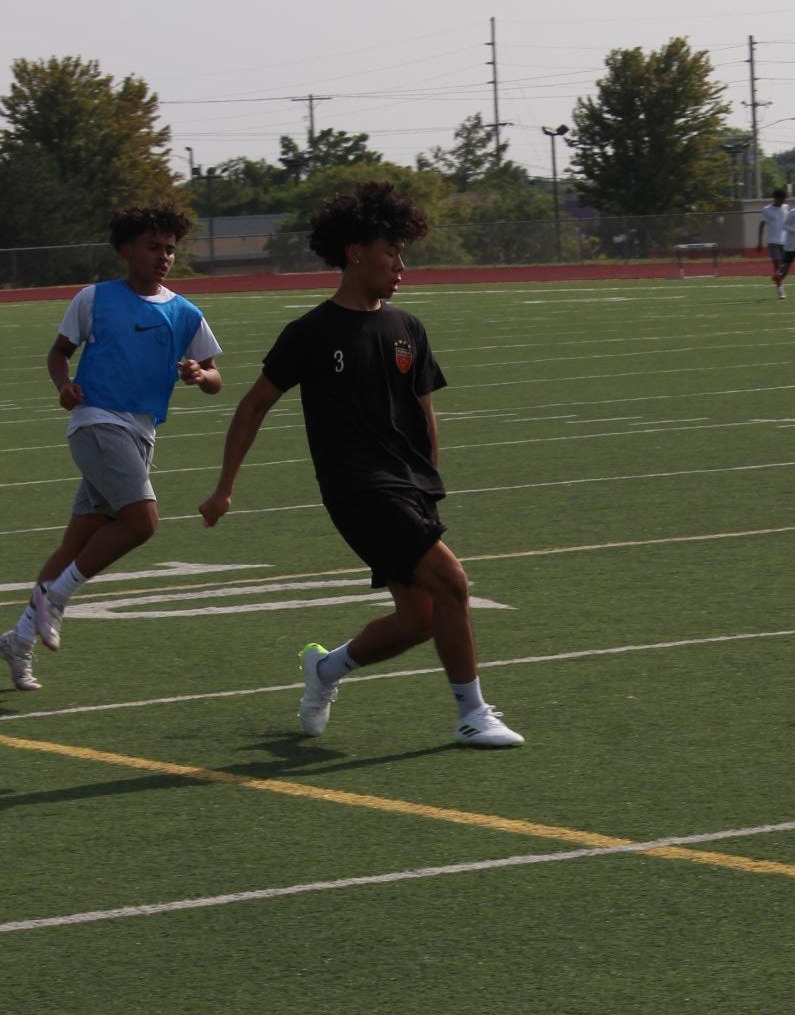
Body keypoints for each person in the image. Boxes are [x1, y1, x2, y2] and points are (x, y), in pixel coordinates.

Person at [198, 181, 523, 749]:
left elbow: (424, 414)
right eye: (391, 250)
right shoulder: (311, 333)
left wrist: (429, 483)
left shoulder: (409, 329)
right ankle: (472, 713)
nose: (401, 264)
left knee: (419, 619)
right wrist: (225, 487)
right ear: (355, 251)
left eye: (403, 252)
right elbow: (253, 406)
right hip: (357, 490)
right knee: (452, 581)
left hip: (408, 487)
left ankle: (325, 669)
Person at [0, 203, 222, 692]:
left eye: (169, 248)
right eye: (152, 247)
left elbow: (215, 378)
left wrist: (200, 374)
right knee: (142, 520)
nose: (163, 256)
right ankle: (55, 599)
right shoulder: (94, 298)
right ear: (126, 249)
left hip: (141, 435)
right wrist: (64, 386)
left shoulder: (186, 313)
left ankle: (17, 641)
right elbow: (60, 353)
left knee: (78, 542)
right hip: (96, 423)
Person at [756, 187, 790, 299]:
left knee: (785, 268)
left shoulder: (786, 207)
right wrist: (759, 242)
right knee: (777, 265)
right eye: (781, 199)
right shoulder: (767, 210)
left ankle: (777, 279)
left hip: (785, 241)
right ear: (775, 198)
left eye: (784, 199)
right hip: (773, 242)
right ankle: (780, 290)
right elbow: (762, 226)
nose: (782, 201)